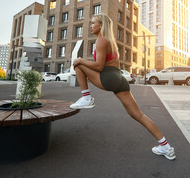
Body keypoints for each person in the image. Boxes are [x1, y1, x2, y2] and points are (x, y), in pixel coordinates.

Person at [71, 13, 176, 160]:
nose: (91, 26)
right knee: (138, 115)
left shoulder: (101, 41)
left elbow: (99, 67)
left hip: (108, 77)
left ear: (101, 25)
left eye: (93, 23)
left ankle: (86, 97)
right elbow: (106, 65)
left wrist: (81, 60)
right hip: (119, 79)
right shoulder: (110, 41)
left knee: (78, 65)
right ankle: (165, 146)